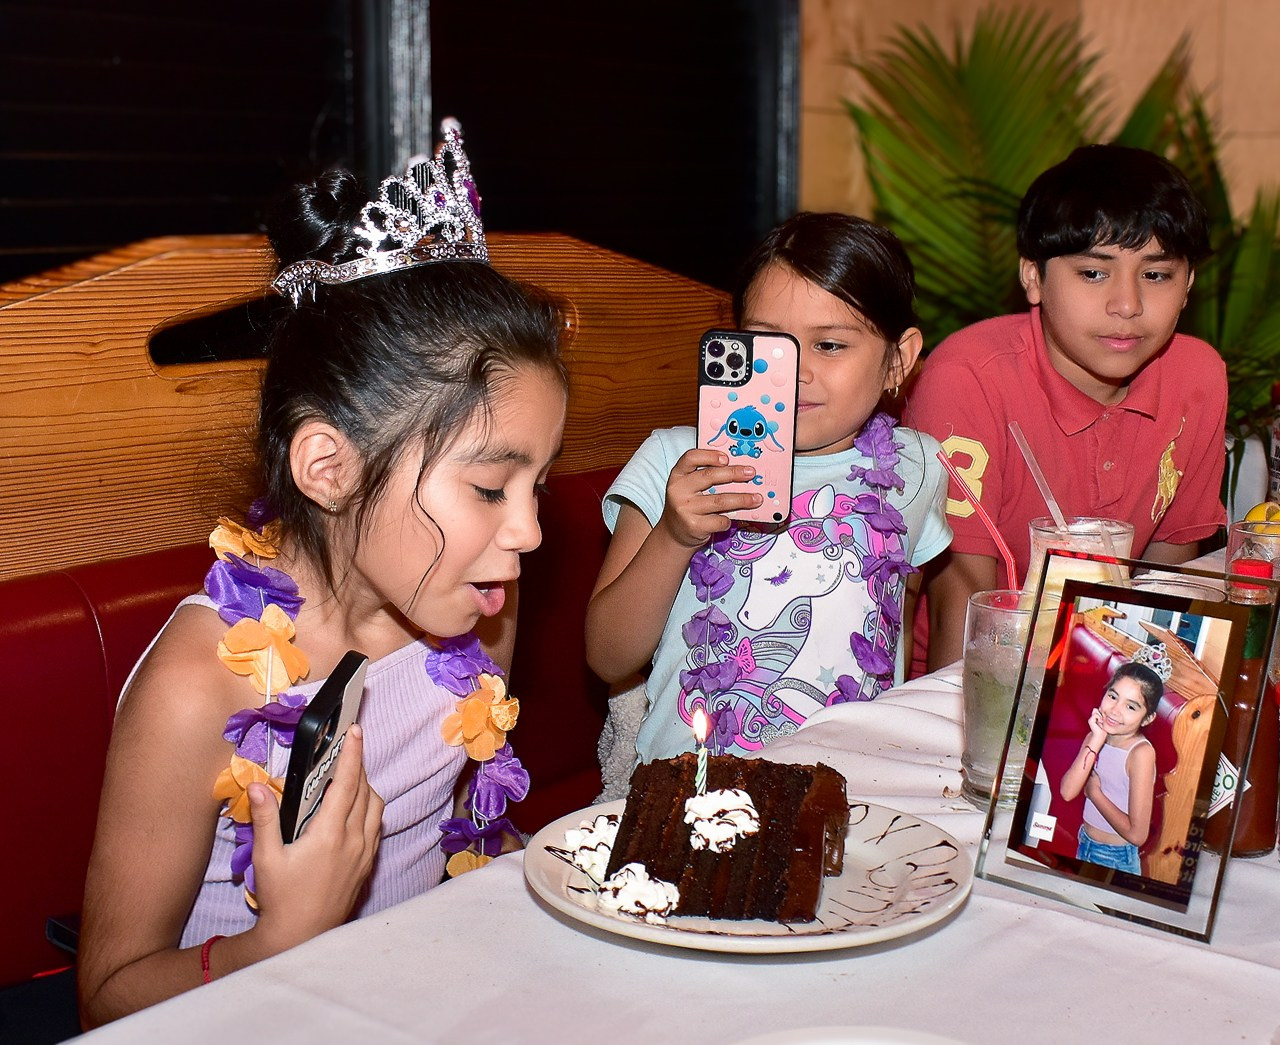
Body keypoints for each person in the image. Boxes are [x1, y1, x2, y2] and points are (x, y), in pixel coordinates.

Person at [77, 122, 568, 1025]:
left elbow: (460, 843)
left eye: (537, 482)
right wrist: (279, 938)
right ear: (329, 468)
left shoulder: (477, 598)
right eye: (493, 484)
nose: (530, 529)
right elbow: (107, 1001)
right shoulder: (200, 685)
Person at [585, 213, 951, 782]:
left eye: (829, 345)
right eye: (766, 346)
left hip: (855, 783)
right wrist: (676, 535)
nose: (795, 372)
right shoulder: (674, 460)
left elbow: (889, 627)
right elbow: (608, 655)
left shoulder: (917, 466)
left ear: (899, 360)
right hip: (693, 782)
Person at [905, 144, 1226, 670]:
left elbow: (1166, 584)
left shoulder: (1198, 379)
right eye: (1094, 273)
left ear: (1188, 283)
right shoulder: (969, 379)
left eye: (1156, 274)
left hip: (1109, 684)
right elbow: (959, 600)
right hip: (979, 677)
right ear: (1033, 277)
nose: (1127, 305)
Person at [1058, 654, 1165, 875]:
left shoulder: (1141, 753)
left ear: (1147, 719)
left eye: (1131, 707)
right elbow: (1067, 792)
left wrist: (1094, 793)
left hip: (1115, 858)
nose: (1115, 710)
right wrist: (1096, 739)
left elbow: (1137, 835)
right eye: (1113, 696)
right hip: (1084, 841)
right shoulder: (1097, 734)